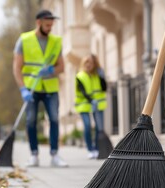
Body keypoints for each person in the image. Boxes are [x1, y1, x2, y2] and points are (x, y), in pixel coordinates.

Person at [13, 9, 68, 167]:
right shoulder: (24, 40)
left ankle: (55, 155)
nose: (50, 28)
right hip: (31, 89)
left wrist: (52, 70)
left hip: (50, 88)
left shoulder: (56, 41)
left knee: (55, 119)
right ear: (38, 23)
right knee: (30, 121)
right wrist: (22, 89)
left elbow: (61, 67)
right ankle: (34, 155)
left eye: (51, 25)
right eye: (47, 25)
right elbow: (17, 67)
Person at [74, 54, 107, 159]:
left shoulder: (97, 75)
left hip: (98, 104)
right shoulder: (80, 76)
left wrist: (102, 77)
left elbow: (104, 88)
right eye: (86, 62)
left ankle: (97, 149)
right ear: (83, 64)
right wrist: (91, 100)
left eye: (91, 62)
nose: (88, 65)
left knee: (99, 127)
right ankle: (90, 149)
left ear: (94, 64)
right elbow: (83, 91)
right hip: (84, 105)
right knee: (87, 126)